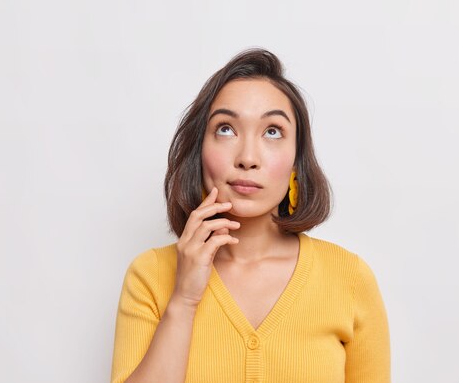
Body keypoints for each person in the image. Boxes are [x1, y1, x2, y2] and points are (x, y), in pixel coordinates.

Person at [110, 48, 391, 383]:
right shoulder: (151, 277)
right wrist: (184, 300)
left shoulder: (350, 280)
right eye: (226, 129)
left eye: (272, 131)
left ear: (295, 164)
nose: (247, 158)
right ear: (198, 154)